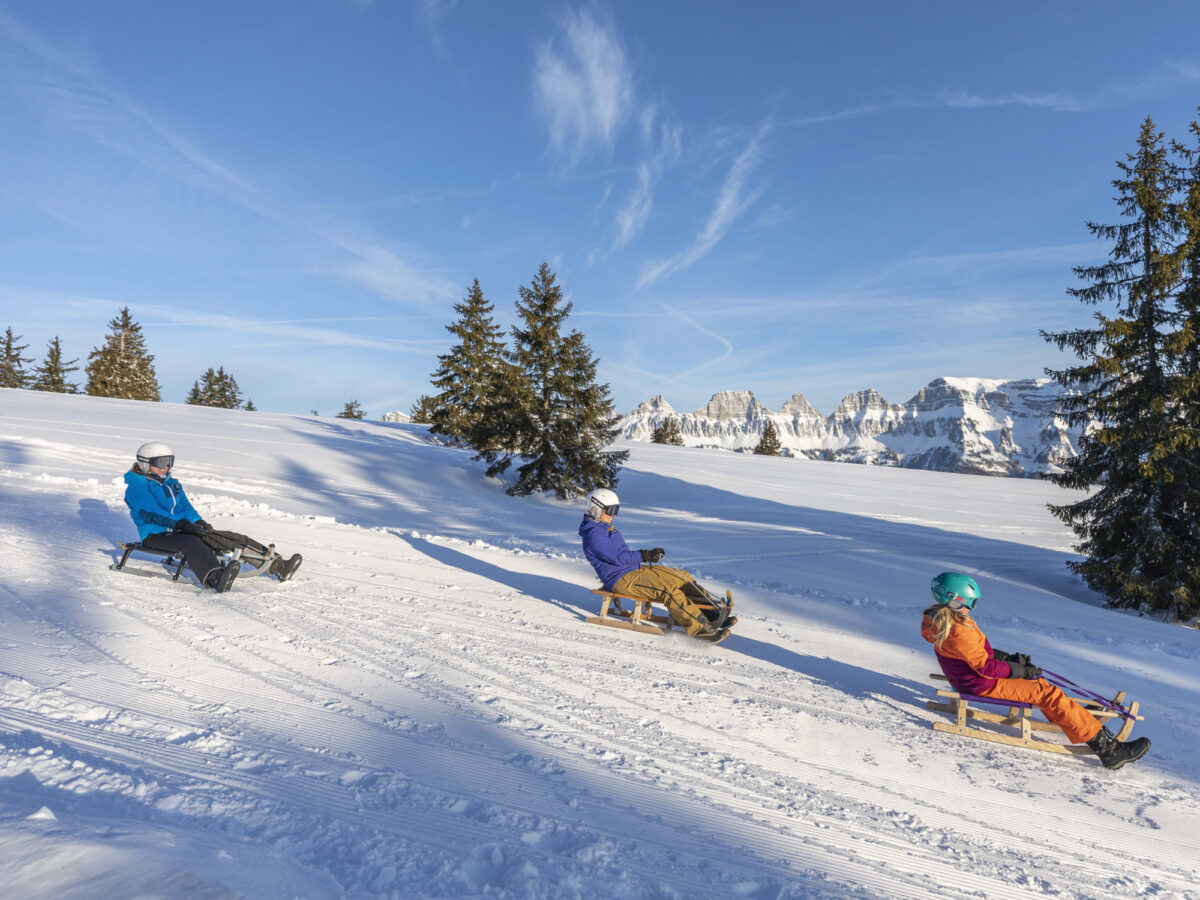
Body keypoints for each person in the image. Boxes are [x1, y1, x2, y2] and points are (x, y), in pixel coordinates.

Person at [921, 571, 1150, 770]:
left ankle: (1074, 719)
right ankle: (1109, 751)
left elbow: (976, 654)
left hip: (974, 678)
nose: (972, 608)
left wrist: (1008, 659)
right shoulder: (958, 630)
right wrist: (1018, 671)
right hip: (981, 683)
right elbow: (986, 667)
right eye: (969, 603)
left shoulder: (945, 621)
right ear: (954, 601)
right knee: (1046, 692)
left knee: (1043, 688)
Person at [123, 441, 302, 593]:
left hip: (181, 528)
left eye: (169, 462)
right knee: (193, 544)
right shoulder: (136, 487)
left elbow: (186, 507)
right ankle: (215, 578)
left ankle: (277, 566)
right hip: (156, 535)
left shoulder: (171, 484)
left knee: (225, 537)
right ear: (145, 463)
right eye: (160, 462)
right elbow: (152, 513)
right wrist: (181, 524)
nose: (166, 467)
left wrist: (197, 522)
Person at [579, 488, 734, 642]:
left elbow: (622, 556)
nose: (613, 515)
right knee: (668, 590)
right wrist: (645, 555)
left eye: (616, 510)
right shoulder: (593, 534)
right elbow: (617, 558)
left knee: (680, 576)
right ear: (596, 508)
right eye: (610, 510)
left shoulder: (604, 528)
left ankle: (710, 613)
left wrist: (648, 555)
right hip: (620, 579)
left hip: (633, 569)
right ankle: (700, 629)